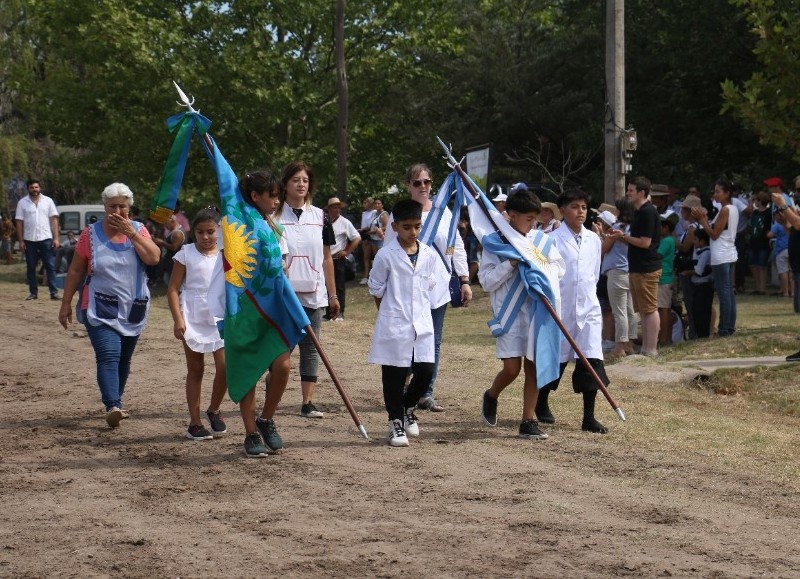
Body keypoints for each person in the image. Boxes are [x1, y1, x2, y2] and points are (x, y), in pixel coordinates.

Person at [57, 183, 161, 427]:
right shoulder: (90, 234)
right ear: (104, 207)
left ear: (129, 207)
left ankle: (116, 401)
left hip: (132, 306)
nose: (117, 210)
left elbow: (154, 258)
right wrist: (65, 303)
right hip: (98, 306)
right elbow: (75, 270)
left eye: (122, 206)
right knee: (108, 354)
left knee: (124, 358)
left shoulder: (139, 230)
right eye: (112, 206)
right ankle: (112, 405)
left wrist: (132, 234)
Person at [384, 163, 473, 412]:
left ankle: (425, 392)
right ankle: (404, 388)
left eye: (427, 182)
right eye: (417, 182)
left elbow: (456, 247)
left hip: (439, 289)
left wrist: (464, 280)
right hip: (408, 289)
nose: (423, 187)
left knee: (433, 341)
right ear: (408, 186)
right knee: (408, 340)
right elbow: (389, 252)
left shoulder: (443, 213)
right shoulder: (398, 214)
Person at [479, 189, 565, 439]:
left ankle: (527, 420)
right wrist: (512, 263)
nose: (532, 225)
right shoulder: (496, 243)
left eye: (535, 220)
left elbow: (559, 268)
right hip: (509, 313)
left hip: (537, 311)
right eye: (527, 219)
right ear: (511, 216)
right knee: (511, 369)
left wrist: (539, 267)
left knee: (533, 367)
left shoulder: (540, 241)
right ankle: (491, 394)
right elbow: (486, 281)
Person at [536, 188, 611, 434]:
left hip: (588, 307)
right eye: (575, 207)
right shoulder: (551, 240)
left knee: (591, 359)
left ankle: (589, 417)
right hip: (561, 307)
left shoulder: (593, 239)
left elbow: (593, 273)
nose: (580, 212)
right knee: (556, 360)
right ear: (563, 210)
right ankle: (541, 400)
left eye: (584, 208)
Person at [368, 199, 440, 447]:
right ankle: (395, 422)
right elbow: (377, 289)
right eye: (407, 227)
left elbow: (428, 286)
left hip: (421, 322)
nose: (413, 232)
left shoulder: (428, 254)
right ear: (395, 226)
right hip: (394, 323)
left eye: (417, 227)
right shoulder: (385, 256)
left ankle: (408, 408)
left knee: (425, 371)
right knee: (394, 375)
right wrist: (388, 315)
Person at [277, 160, 339, 419]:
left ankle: (308, 401)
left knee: (311, 348)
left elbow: (327, 258)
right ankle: (274, 387)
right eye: (295, 180)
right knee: (282, 347)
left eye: (305, 180)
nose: (301, 184)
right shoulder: (274, 217)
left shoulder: (321, 217)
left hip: (315, 294)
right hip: (284, 295)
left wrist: (333, 294)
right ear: (285, 184)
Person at [167, 207, 228, 441]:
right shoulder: (186, 253)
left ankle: (214, 409)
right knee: (196, 369)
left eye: (210, 232)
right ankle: (194, 422)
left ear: (219, 231)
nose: (205, 237)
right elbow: (173, 288)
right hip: (192, 315)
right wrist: (178, 319)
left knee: (225, 367)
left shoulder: (225, 254)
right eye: (200, 232)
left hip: (219, 316)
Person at [608, 176, 662, 356]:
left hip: (647, 268)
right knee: (643, 311)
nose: (627, 194)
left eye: (631, 190)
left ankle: (651, 349)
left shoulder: (647, 212)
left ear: (642, 192)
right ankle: (646, 348)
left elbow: (645, 242)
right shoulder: (639, 211)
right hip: (637, 268)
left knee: (650, 308)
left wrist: (622, 237)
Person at [692, 179, 738, 337]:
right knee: (729, 292)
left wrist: (702, 220)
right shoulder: (732, 208)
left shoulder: (725, 209)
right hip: (729, 253)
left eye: (718, 191)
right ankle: (729, 327)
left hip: (721, 255)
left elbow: (714, 234)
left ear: (727, 193)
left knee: (724, 293)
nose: (715, 194)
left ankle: (725, 328)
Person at [599, 201, 636, 357]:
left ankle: (620, 346)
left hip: (616, 272)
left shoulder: (617, 227)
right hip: (628, 271)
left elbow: (604, 248)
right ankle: (629, 344)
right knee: (629, 310)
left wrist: (601, 236)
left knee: (618, 310)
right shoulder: (631, 228)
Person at [15, 179, 60, 300]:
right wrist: (20, 241)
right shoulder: (22, 203)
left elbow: (54, 220)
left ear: (40, 188)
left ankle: (54, 293)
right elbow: (19, 222)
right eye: (31, 188)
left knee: (50, 266)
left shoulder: (48, 201)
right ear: (28, 189)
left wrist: (56, 238)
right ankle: (33, 293)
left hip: (46, 238)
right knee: (31, 266)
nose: (34, 190)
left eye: (36, 187)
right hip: (29, 240)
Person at [325, 197, 361, 320]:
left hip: (337, 258)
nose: (338, 209)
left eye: (339, 207)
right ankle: (328, 312)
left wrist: (347, 251)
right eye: (335, 207)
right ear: (329, 209)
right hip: (325, 258)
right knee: (326, 285)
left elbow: (357, 238)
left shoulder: (345, 222)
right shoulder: (324, 221)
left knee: (339, 285)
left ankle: (340, 312)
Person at [675, 195, 702, 338]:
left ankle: (694, 332)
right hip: (690, 266)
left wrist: (673, 241)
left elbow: (686, 247)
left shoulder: (692, 228)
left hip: (689, 266)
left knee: (690, 300)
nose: (682, 213)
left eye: (684, 210)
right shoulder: (691, 227)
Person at [686, 228, 713, 339]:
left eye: (696, 239)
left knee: (702, 311)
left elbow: (699, 271)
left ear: (702, 241)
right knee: (696, 310)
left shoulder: (706, 253)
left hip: (704, 286)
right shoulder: (699, 252)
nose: (694, 242)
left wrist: (687, 272)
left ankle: (703, 334)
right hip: (698, 286)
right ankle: (700, 334)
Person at [657, 216, 676, 346]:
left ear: (666, 228)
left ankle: (663, 338)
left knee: (663, 309)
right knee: (665, 309)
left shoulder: (667, 240)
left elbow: (658, 254)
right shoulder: (670, 240)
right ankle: (666, 338)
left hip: (664, 278)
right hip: (666, 277)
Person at [748, 191, 772, 295]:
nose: (755, 202)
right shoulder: (755, 213)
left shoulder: (768, 213)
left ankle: (762, 288)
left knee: (762, 265)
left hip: (763, 242)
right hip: (753, 241)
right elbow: (751, 225)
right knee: (753, 265)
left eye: (756, 200)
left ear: (760, 201)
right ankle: (757, 287)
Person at [154, 215, 186, 285]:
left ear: (172, 221)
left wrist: (162, 242)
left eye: (166, 223)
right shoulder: (173, 231)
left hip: (174, 263)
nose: (165, 225)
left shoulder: (177, 233)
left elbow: (174, 247)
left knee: (173, 284)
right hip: (170, 262)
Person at [768, 210, 792, 298]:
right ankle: (792, 292)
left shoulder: (777, 225)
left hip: (781, 250)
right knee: (791, 272)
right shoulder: (791, 223)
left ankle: (785, 291)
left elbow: (770, 235)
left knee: (783, 271)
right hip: (791, 249)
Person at [358, 197, 376, 284]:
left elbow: (371, 224)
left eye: (365, 202)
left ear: (370, 203)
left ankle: (375, 276)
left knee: (375, 256)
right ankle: (366, 276)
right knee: (366, 256)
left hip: (371, 234)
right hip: (364, 234)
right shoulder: (363, 213)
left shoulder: (374, 212)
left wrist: (363, 230)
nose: (363, 204)